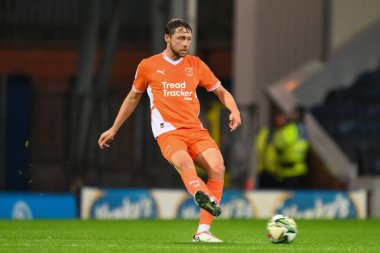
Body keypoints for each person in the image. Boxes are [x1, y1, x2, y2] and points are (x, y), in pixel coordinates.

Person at [98, 19, 241, 243]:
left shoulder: (196, 65)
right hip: (168, 131)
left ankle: (202, 231)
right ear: (167, 38)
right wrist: (114, 128)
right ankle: (199, 194)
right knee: (184, 162)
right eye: (180, 39)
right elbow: (133, 97)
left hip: (195, 129)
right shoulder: (148, 65)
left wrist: (234, 110)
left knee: (218, 166)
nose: (186, 44)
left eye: (188, 39)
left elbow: (221, 91)